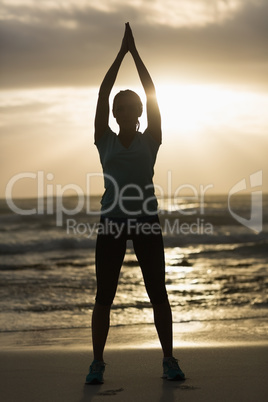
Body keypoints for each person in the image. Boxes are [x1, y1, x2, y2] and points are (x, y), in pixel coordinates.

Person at [86, 23, 185, 384]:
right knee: (105, 296)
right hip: (112, 221)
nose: (126, 111)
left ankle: (169, 359)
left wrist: (135, 53)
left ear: (141, 111)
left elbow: (152, 89)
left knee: (157, 291)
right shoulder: (103, 139)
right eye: (120, 108)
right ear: (114, 114)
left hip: (145, 220)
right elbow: (102, 93)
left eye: (132, 107)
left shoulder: (151, 139)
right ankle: (97, 363)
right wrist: (120, 54)